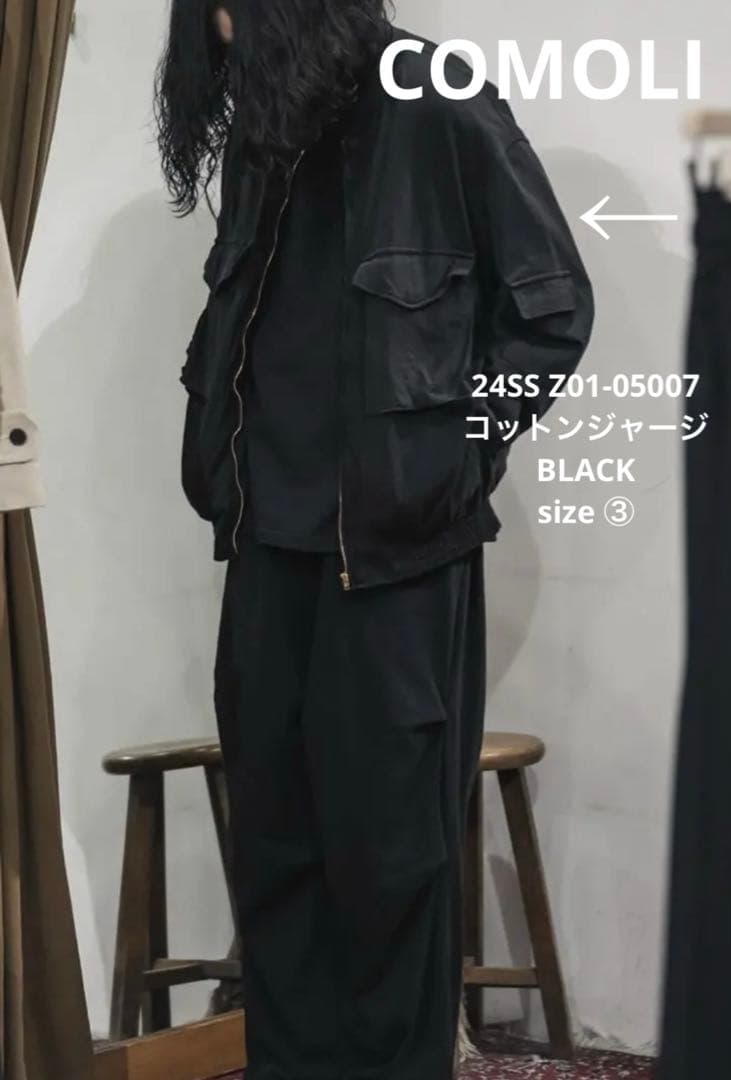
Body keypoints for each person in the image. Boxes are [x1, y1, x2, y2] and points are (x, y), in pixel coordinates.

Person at [154, 3, 594, 1078]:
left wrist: (453, 460)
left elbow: (549, 310)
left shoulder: (432, 97)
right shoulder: (269, 127)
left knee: (390, 858)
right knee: (276, 847)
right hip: (265, 544)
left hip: (394, 557)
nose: (215, 30)